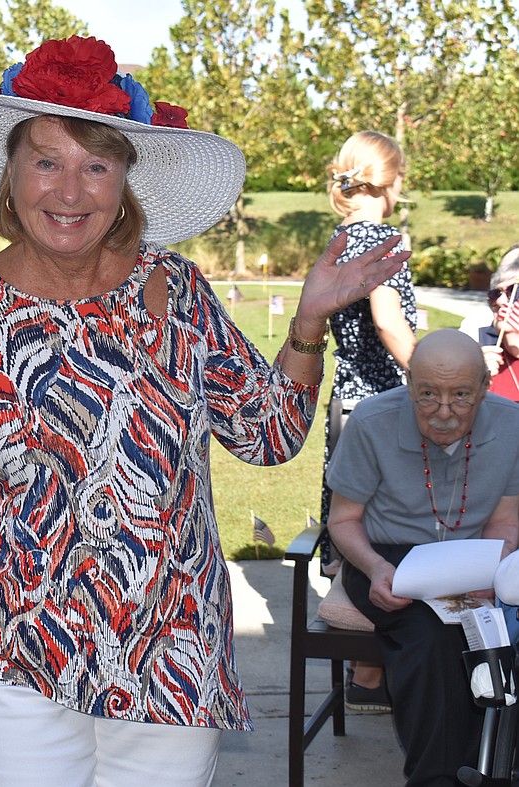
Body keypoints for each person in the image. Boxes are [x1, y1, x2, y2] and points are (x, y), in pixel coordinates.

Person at [0, 35, 408, 786]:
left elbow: (270, 432)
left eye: (96, 165)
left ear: (124, 179)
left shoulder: (177, 290)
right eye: (46, 161)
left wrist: (308, 322)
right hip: (9, 649)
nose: (70, 191)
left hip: (170, 642)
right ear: (11, 174)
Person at [326, 328, 519, 787]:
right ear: (409, 382)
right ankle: (437, 778)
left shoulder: (511, 424)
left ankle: (492, 766)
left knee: (490, 630)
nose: (445, 413)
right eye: (428, 395)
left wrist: (490, 573)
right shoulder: (373, 422)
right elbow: (342, 522)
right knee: (430, 636)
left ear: (485, 387)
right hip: (385, 557)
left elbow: (506, 522)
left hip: (473, 557)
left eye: (461, 396)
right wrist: (375, 568)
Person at [319, 131, 417, 711]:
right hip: (379, 405)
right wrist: (433, 372)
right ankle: (376, 674)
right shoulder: (380, 237)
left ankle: (366, 672)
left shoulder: (344, 236)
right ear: (394, 181)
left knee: (354, 523)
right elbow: (387, 321)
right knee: (381, 530)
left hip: (348, 399)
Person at [475, 245, 519, 401]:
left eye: (513, 291)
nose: (500, 301)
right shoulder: (477, 355)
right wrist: (471, 384)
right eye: (495, 293)